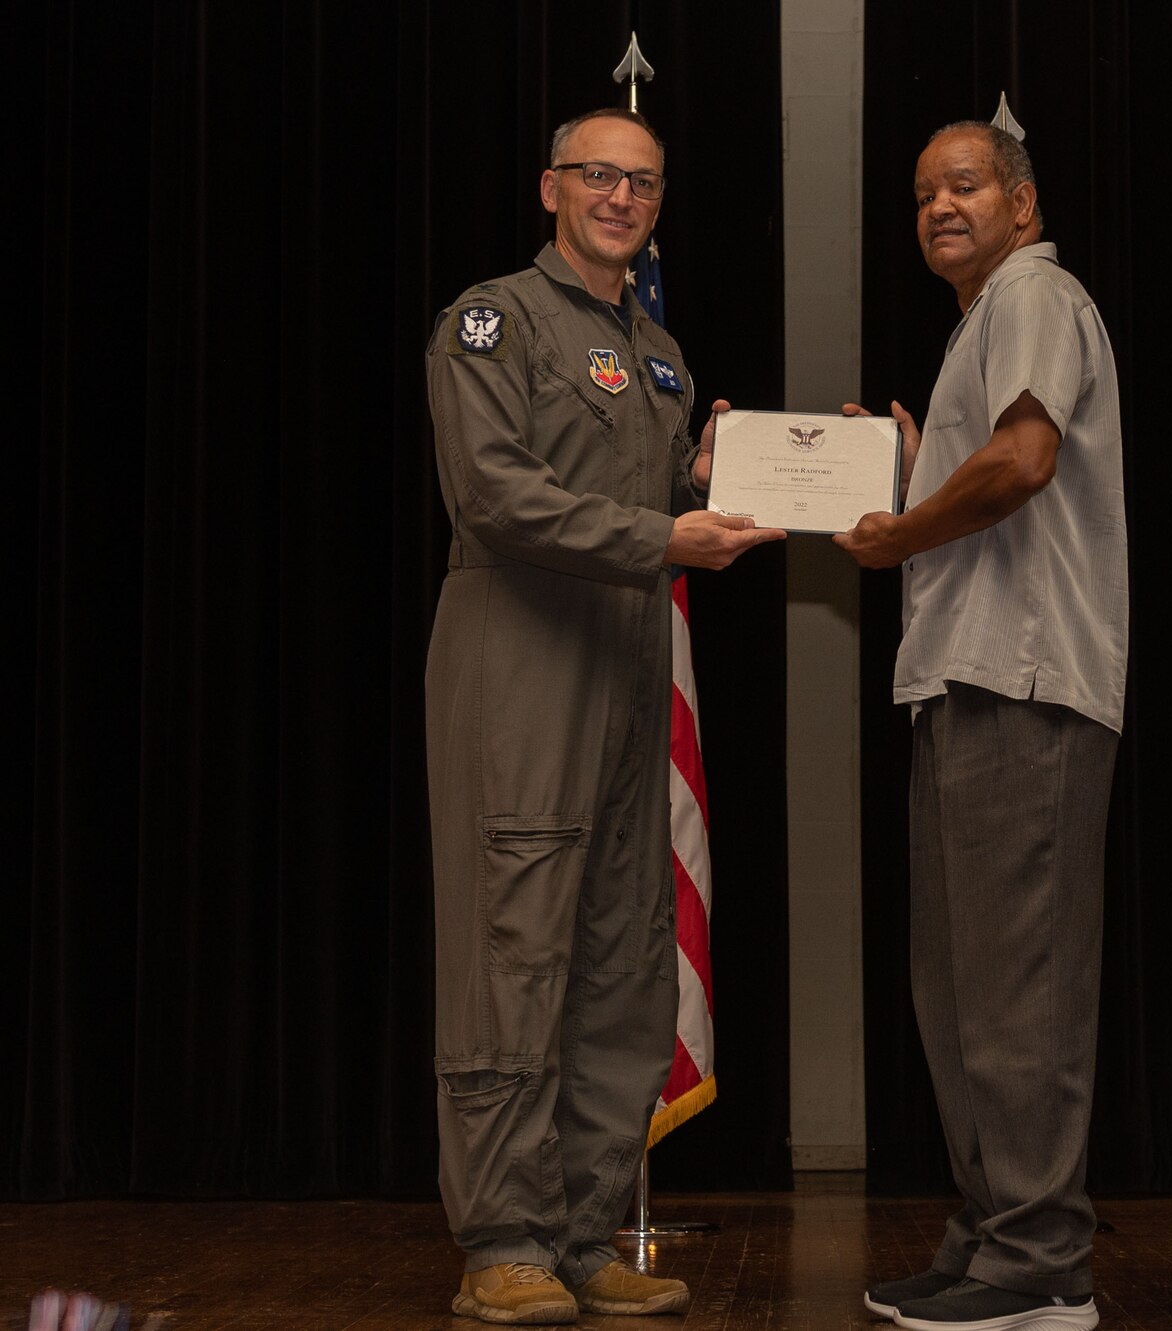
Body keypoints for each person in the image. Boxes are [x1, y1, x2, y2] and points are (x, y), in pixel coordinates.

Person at [424, 107, 782, 1325]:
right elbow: (495, 492)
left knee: (621, 960)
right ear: (550, 188)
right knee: (514, 953)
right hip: (522, 666)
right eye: (598, 177)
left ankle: (581, 1235)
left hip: (629, 672)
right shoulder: (494, 321)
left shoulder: (662, 352)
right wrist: (661, 531)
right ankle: (502, 1241)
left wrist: (734, 465)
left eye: (643, 183)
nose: (621, 198)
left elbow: (669, 484)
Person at [836, 110, 1127, 1331]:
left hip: (1022, 683)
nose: (939, 208)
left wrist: (898, 527)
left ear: (1020, 200)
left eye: (962, 185)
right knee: (957, 995)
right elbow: (985, 459)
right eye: (920, 195)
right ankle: (991, 1233)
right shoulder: (982, 322)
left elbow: (1019, 465)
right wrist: (906, 470)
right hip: (963, 680)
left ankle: (1042, 1261)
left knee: (1019, 992)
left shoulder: (1030, 294)